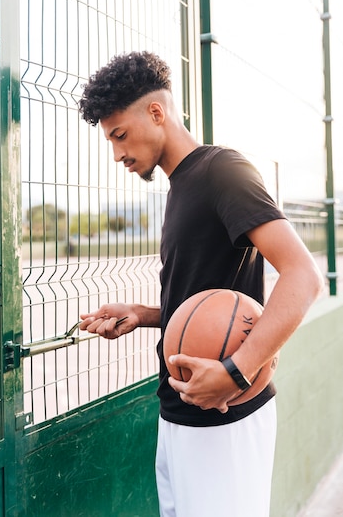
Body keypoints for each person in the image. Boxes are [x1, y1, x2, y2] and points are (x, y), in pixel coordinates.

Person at [78, 51, 324, 516]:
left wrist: (234, 373)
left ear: (157, 112)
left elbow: (303, 276)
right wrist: (147, 315)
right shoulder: (182, 188)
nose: (117, 154)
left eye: (120, 135)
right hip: (180, 413)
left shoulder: (222, 172)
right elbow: (206, 295)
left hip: (225, 416)